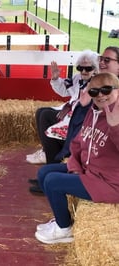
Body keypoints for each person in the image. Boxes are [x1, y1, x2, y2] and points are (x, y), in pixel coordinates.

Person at [35, 72, 119, 244]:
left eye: (106, 89)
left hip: (110, 183)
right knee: (44, 172)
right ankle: (63, 218)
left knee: (53, 181)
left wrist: (115, 127)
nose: (101, 95)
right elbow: (78, 142)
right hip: (91, 171)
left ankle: (64, 229)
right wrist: (75, 168)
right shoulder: (93, 112)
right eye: (95, 92)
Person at [26, 50, 98, 165]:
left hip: (79, 119)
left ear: (95, 68)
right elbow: (64, 90)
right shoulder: (77, 78)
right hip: (70, 111)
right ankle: (48, 151)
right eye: (80, 68)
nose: (83, 71)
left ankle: (51, 159)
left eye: (88, 69)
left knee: (45, 116)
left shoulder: (96, 83)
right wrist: (55, 79)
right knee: (40, 112)